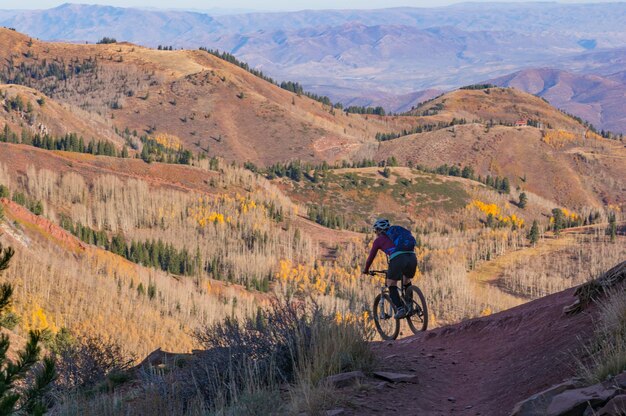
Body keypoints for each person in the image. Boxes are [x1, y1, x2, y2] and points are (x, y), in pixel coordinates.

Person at [363, 218, 418, 319]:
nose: (375, 233)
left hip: (397, 259)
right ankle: (410, 306)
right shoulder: (397, 235)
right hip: (412, 257)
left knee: (391, 283)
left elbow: (370, 258)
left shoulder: (378, 240)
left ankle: (400, 309)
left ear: (379, 230)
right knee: (406, 280)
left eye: (375, 231)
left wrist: (366, 269)